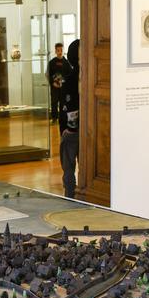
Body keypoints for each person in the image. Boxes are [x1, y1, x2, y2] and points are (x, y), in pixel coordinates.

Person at [59, 39, 80, 199]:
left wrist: (70, 128)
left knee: (68, 168)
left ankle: (70, 197)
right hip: (85, 129)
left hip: (73, 131)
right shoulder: (87, 75)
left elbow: (69, 105)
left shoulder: (71, 78)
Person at [46, 42, 72, 122]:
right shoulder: (51, 62)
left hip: (63, 87)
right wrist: (52, 83)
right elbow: (47, 74)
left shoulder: (67, 63)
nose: (60, 52)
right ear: (55, 51)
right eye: (58, 50)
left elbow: (70, 75)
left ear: (63, 50)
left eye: (61, 50)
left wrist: (63, 83)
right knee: (54, 103)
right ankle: (54, 118)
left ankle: (62, 118)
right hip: (54, 87)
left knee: (62, 103)